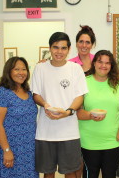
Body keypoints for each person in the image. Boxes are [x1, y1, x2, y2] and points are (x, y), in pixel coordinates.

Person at [31, 32, 88, 178]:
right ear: (50, 48)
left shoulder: (75, 69)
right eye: (55, 47)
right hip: (45, 131)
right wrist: (45, 104)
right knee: (48, 172)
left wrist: (68, 112)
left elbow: (79, 96)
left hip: (69, 131)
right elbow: (36, 94)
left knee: (70, 172)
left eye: (63, 48)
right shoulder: (40, 68)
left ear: (68, 49)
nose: (59, 52)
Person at [77, 50, 119, 178]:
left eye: (108, 63)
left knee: (110, 174)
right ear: (94, 63)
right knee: (90, 175)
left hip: (113, 140)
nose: (104, 65)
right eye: (100, 61)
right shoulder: (83, 82)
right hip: (88, 140)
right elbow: (77, 111)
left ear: (111, 66)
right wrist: (90, 115)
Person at [0, 57, 39, 178]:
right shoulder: (2, 94)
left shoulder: (27, 92)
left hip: (29, 149)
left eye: (24, 69)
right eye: (17, 69)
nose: (21, 72)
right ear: (9, 71)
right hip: (10, 147)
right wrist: (7, 151)